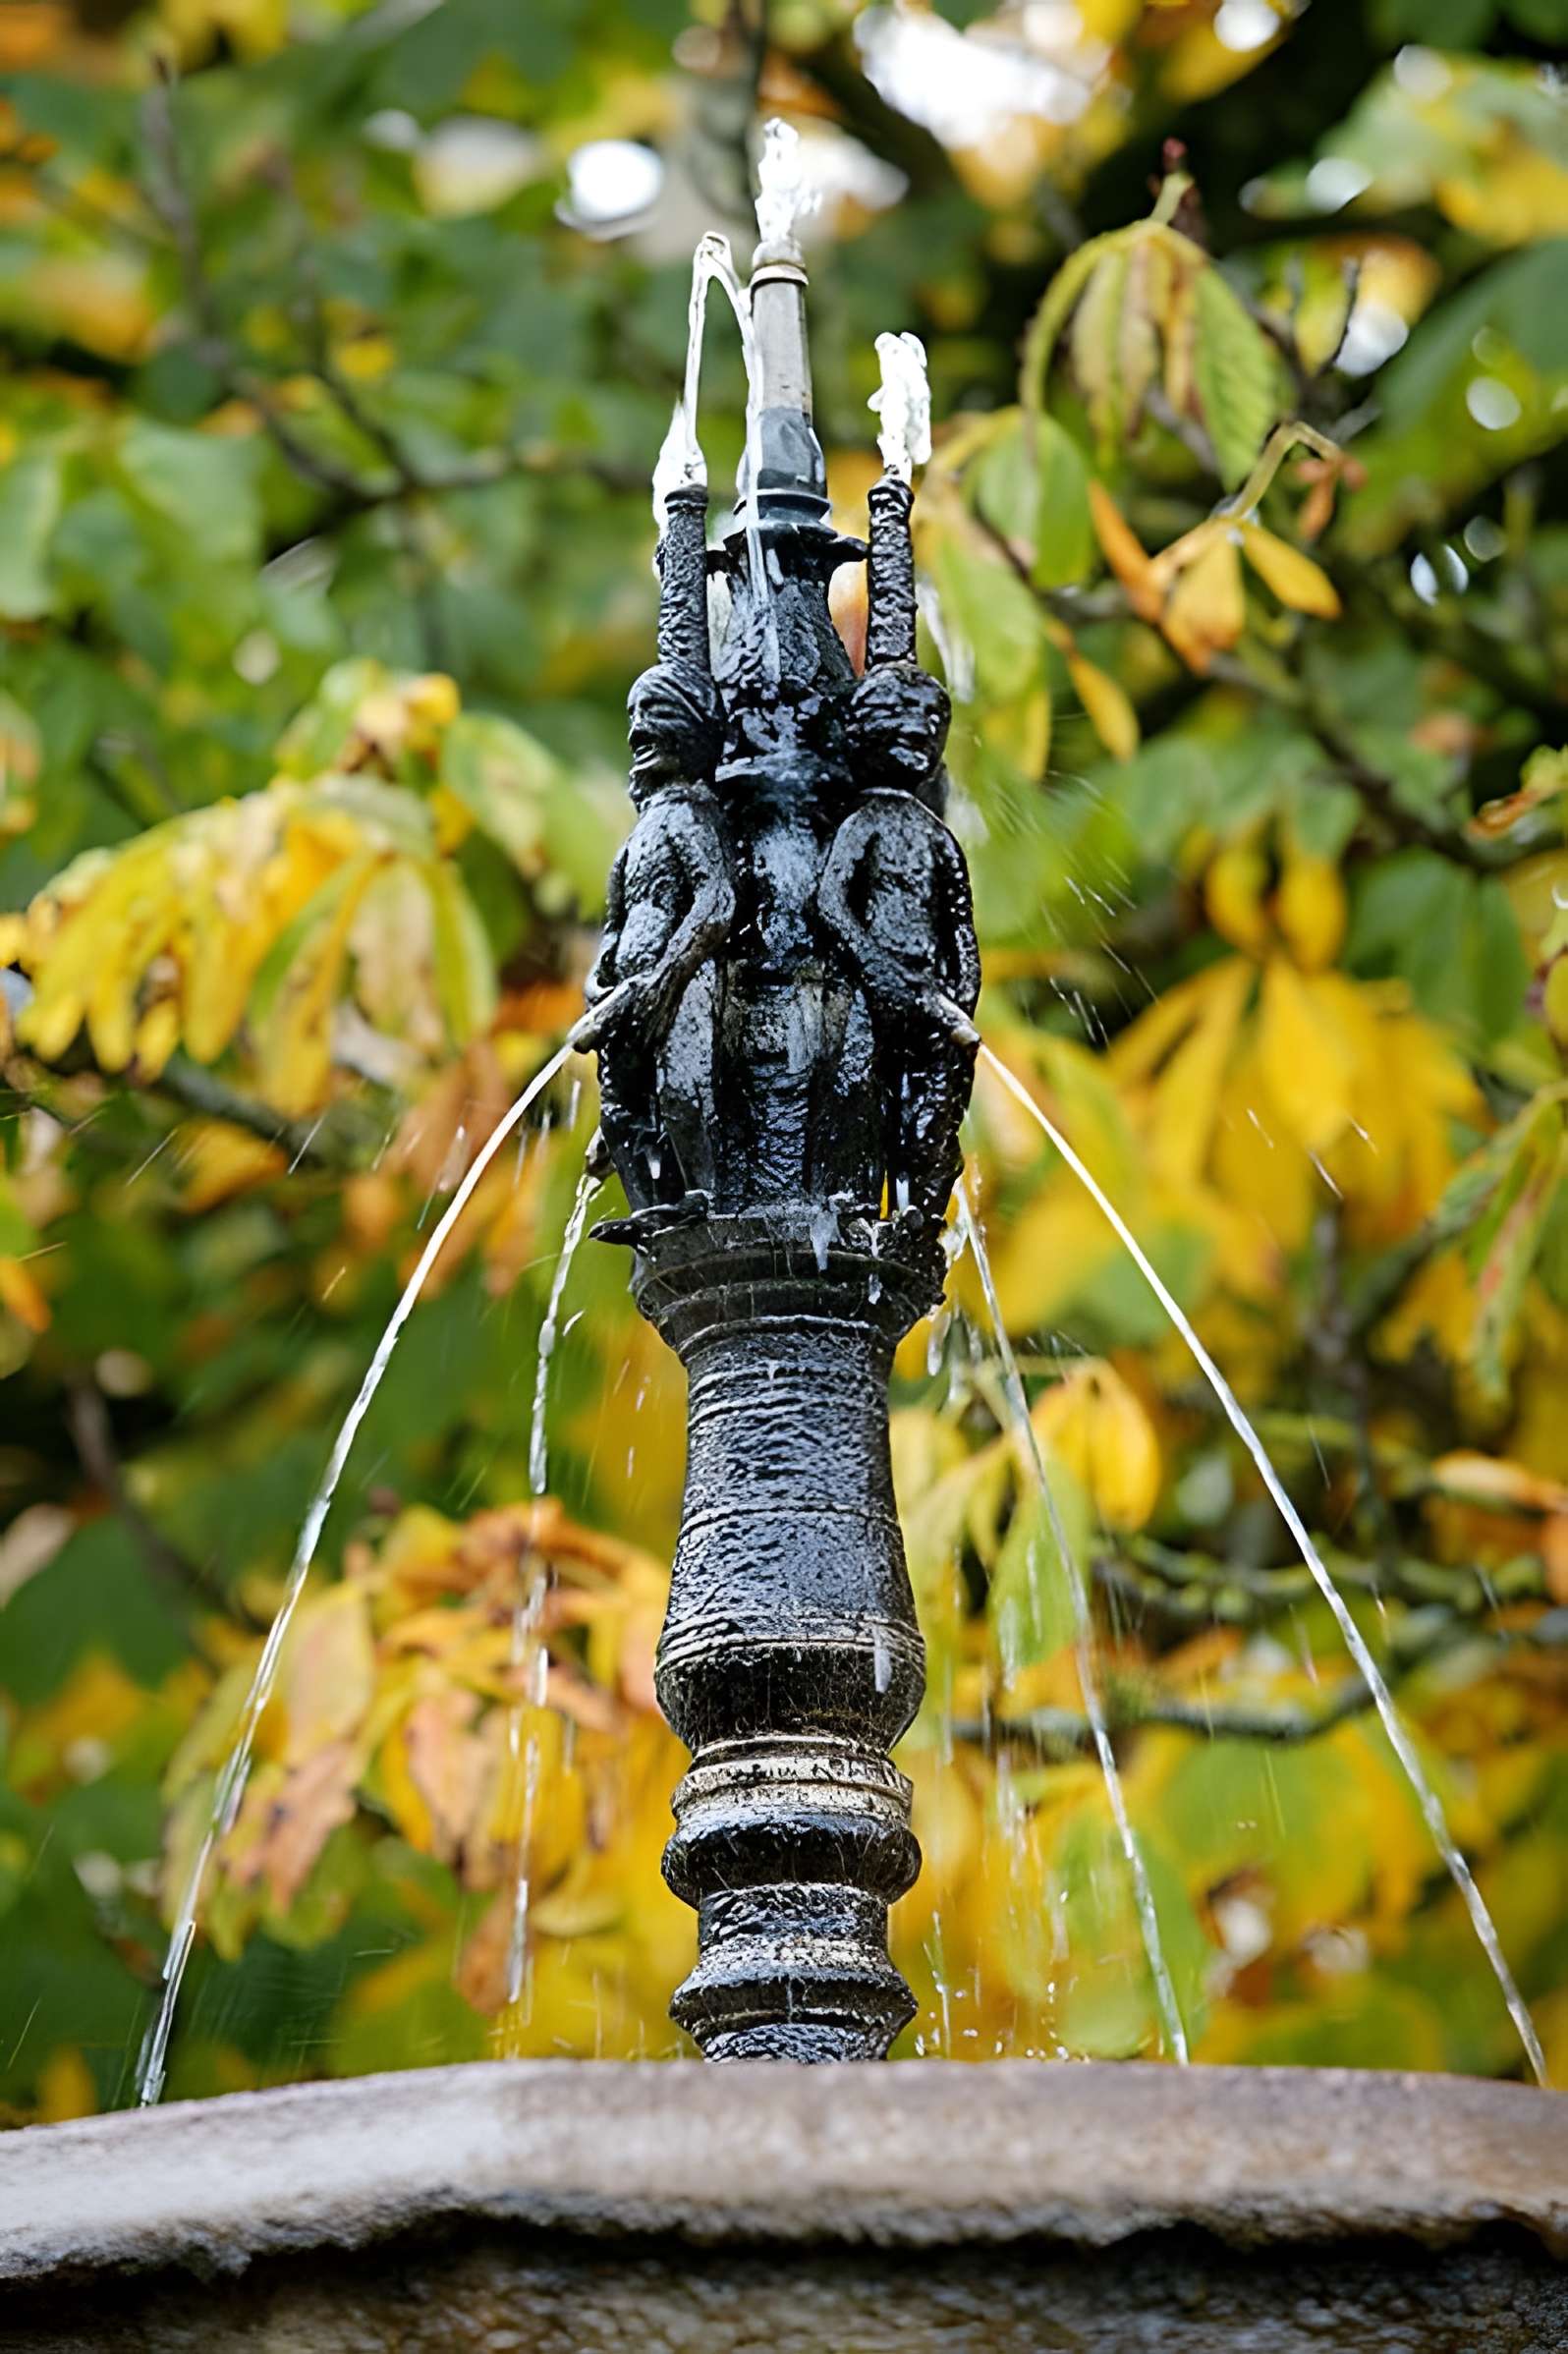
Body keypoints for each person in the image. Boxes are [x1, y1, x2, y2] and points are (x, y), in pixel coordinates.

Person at [816, 662, 980, 1230]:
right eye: (903, 732)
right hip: (869, 995)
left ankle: (921, 1220)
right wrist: (876, 970)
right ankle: (858, 1211)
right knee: (857, 1095)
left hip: (932, 1000)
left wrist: (962, 994)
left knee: (932, 1117)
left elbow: (959, 923)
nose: (918, 745)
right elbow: (831, 903)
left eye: (928, 736)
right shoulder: (864, 825)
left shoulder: (937, 838)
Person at [577, 659, 733, 1215]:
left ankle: (702, 1196)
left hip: (682, 984)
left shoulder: (693, 815)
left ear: (693, 731)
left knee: (683, 1093)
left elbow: (717, 900)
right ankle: (649, 1207)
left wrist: (671, 974)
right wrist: (599, 982)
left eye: (656, 715)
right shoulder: (637, 836)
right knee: (620, 1108)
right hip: (628, 994)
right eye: (634, 716)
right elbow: (614, 923)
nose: (638, 729)